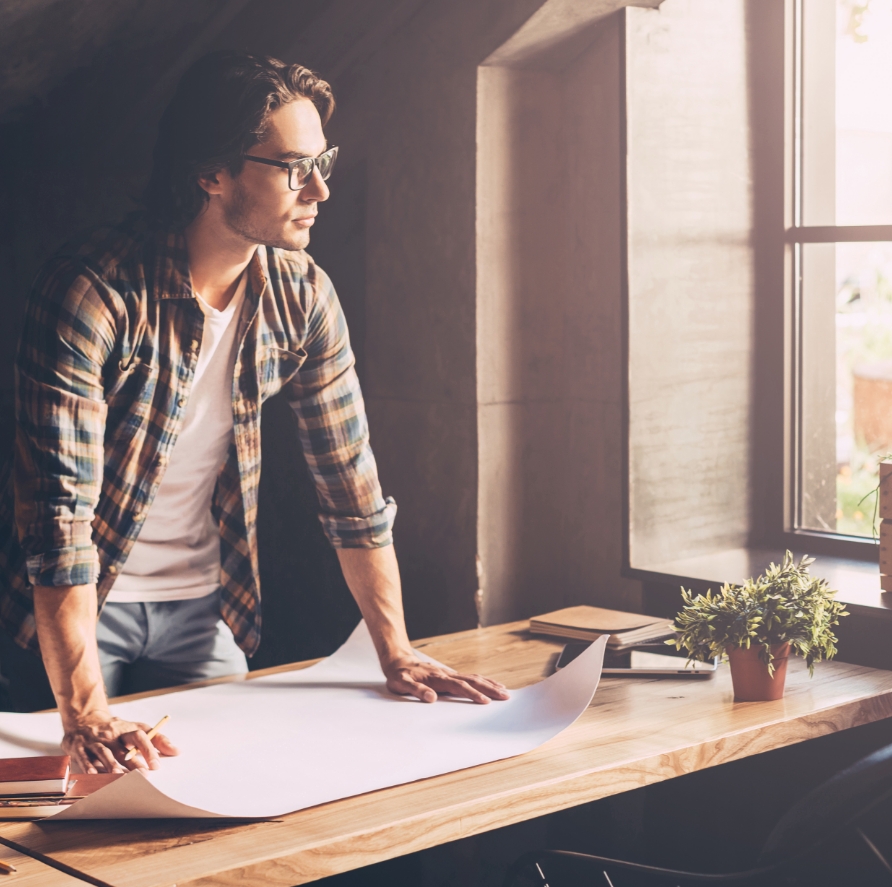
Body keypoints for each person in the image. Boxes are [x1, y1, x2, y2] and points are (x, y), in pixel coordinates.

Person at [0, 51, 508, 775]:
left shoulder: (301, 296)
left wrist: (394, 650)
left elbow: (351, 487)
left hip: (206, 603)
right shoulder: (95, 293)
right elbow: (59, 521)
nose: (321, 189)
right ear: (213, 173)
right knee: (80, 812)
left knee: (226, 799)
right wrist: (83, 711)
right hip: (79, 608)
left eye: (322, 162)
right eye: (294, 168)